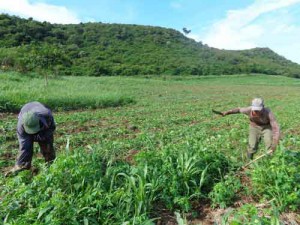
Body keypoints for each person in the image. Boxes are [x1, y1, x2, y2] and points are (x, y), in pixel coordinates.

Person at [6, 101, 56, 176]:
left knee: (47, 146)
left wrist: (43, 139)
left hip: (39, 111)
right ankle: (23, 168)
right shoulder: (21, 126)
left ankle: (51, 166)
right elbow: (24, 147)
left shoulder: (47, 116)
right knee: (26, 147)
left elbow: (51, 128)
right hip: (26, 112)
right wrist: (20, 164)